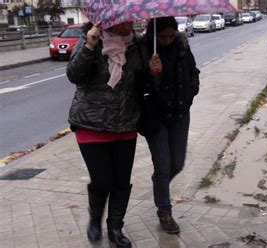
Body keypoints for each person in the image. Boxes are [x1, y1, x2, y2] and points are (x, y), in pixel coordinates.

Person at [67, 21, 155, 248]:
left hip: (125, 124)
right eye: (123, 22)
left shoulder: (137, 46)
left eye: (130, 21)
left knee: (122, 182)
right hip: (91, 124)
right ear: (110, 21)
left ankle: (115, 227)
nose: (128, 25)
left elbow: (141, 84)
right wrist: (88, 46)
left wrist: (154, 71)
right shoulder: (92, 40)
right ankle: (95, 220)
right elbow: (74, 75)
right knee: (103, 180)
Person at [138, 16, 200, 234]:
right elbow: (137, 85)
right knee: (163, 166)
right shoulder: (143, 50)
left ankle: (159, 182)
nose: (167, 40)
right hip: (156, 118)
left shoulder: (182, 47)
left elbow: (194, 72)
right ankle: (164, 211)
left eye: (171, 35)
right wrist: (153, 74)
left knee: (177, 165)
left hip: (181, 114)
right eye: (162, 36)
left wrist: (191, 92)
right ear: (152, 34)